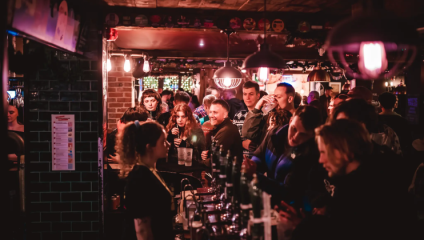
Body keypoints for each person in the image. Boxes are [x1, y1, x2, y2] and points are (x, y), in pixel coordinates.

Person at [287, 119, 414, 240]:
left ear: (343, 150)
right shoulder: (357, 181)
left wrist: (303, 228)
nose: (320, 160)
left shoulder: (362, 191)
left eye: (324, 152)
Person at [243, 106, 323, 206]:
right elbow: (259, 155)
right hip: (268, 201)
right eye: (294, 129)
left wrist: (256, 176)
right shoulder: (274, 133)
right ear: (290, 121)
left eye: (303, 134)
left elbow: (288, 192)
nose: (295, 137)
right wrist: (252, 164)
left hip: (289, 209)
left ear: (312, 135)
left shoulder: (311, 156)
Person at [118, 121, 173, 240]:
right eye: (163, 141)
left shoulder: (150, 170)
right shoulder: (139, 178)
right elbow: (142, 231)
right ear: (149, 147)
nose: (168, 145)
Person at [331, 99, 402, 155]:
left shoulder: (384, 156)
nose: (337, 129)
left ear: (362, 125)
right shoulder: (331, 154)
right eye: (336, 124)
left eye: (342, 124)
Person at [242, 82, 296, 151]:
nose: (275, 100)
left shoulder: (300, 118)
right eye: (274, 97)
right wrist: (258, 106)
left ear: (290, 99)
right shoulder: (272, 116)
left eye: (278, 97)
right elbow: (248, 134)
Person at [201, 99, 243, 165]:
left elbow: (215, 161)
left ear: (225, 114)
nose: (211, 115)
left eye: (215, 112)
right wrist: (208, 153)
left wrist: (200, 162)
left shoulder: (227, 131)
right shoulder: (221, 128)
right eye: (210, 112)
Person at [233, 81, 261, 157]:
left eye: (251, 94)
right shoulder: (239, 115)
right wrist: (242, 143)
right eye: (245, 94)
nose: (247, 97)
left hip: (259, 160)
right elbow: (233, 138)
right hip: (240, 159)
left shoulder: (264, 115)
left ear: (258, 96)